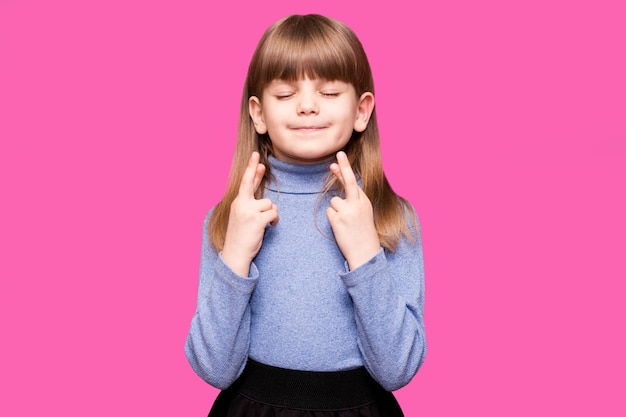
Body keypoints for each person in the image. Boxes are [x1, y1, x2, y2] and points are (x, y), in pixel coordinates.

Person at [185, 14, 426, 417]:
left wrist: (366, 255)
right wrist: (236, 256)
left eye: (330, 92)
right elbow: (214, 368)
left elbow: (397, 369)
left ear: (362, 110)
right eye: (285, 94)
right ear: (258, 114)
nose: (308, 106)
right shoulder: (231, 217)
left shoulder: (390, 216)